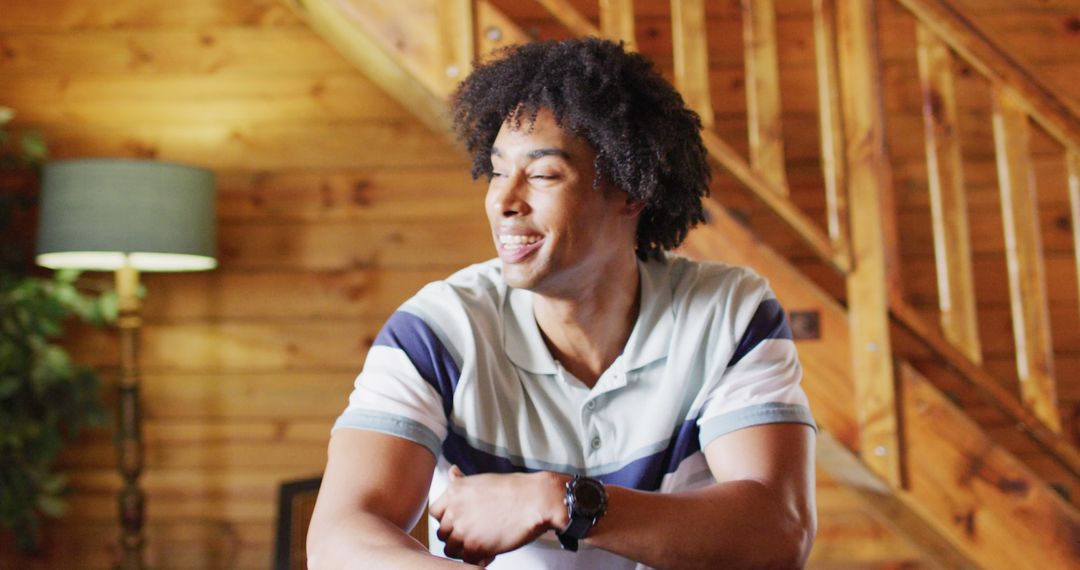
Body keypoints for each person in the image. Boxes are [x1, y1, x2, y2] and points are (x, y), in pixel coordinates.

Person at [306, 37, 817, 569]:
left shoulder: (728, 314)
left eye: (544, 174)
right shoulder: (438, 329)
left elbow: (778, 532)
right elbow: (340, 539)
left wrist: (560, 501)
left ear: (631, 192)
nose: (503, 201)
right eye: (498, 171)